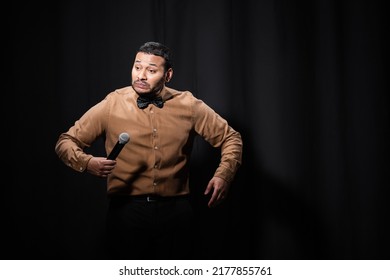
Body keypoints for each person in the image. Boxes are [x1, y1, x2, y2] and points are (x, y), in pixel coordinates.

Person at [55, 41, 243, 259]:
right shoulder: (112, 103)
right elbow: (65, 141)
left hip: (177, 213)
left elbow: (231, 138)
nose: (141, 75)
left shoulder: (189, 105)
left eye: (151, 70)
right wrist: (86, 163)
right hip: (126, 213)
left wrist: (224, 175)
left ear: (168, 75)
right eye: (137, 67)